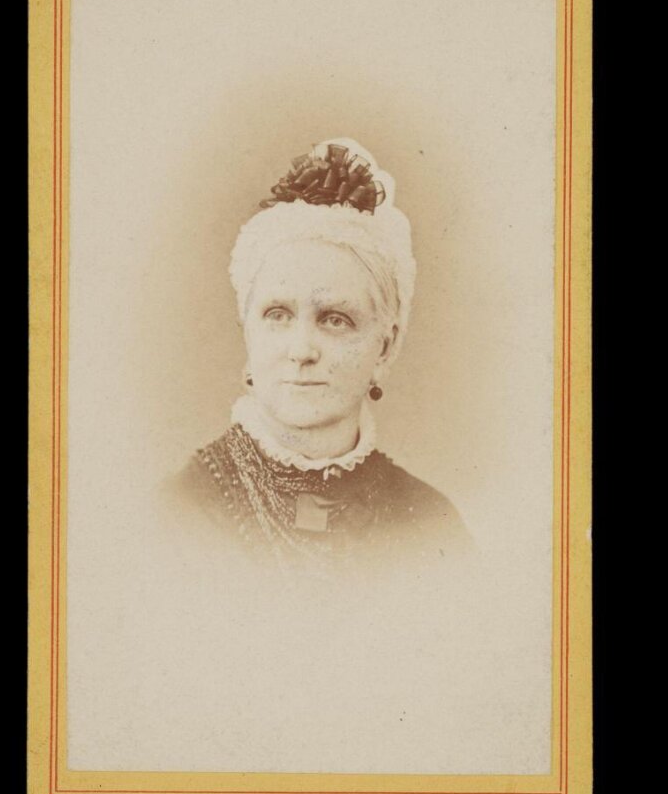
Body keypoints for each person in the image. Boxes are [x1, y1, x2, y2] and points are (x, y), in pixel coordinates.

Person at [168, 137, 472, 568]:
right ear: (248, 332)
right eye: (277, 315)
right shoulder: (177, 514)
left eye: (334, 319)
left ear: (384, 348)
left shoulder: (431, 523)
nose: (301, 350)